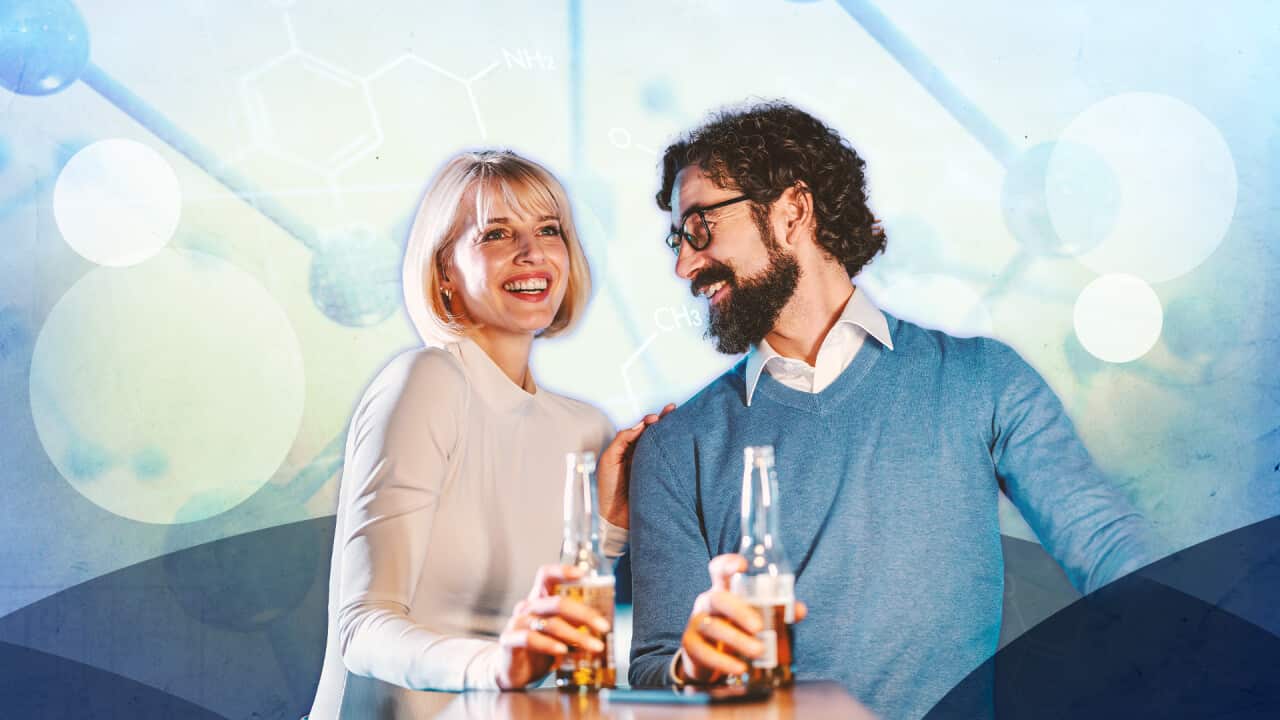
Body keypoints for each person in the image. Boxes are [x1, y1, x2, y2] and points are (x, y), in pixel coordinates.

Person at [626, 101, 1165, 719]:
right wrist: (689, 667)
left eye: (700, 226)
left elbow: (1106, 544)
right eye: (678, 239)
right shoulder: (677, 447)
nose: (684, 263)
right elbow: (653, 670)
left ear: (792, 210)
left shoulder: (981, 381)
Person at [310, 150, 671, 719]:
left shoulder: (584, 428)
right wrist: (496, 667)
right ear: (444, 271)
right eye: (497, 233)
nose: (532, 253)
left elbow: (557, 632)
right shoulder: (427, 382)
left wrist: (607, 529)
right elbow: (363, 628)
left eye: (548, 230)